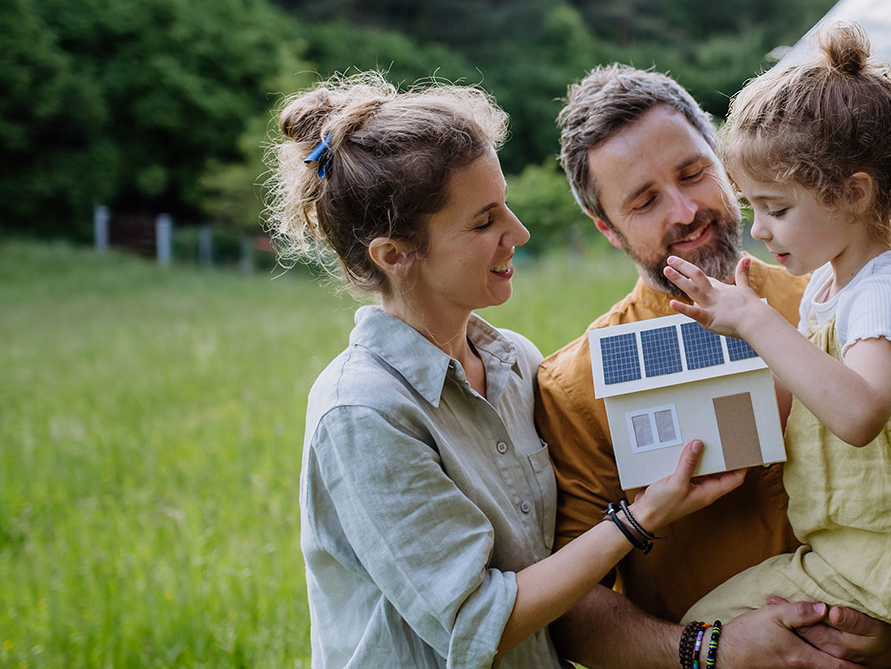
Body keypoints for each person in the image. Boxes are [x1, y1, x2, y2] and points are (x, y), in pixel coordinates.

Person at [267, 73, 741, 669]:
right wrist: (641, 519)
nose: (517, 232)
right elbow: (476, 623)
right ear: (394, 255)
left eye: (505, 206)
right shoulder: (363, 412)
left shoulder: (516, 362)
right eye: (483, 221)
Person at [535, 64, 891, 668]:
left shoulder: (836, 294)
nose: (685, 211)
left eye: (693, 173)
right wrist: (715, 650)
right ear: (607, 229)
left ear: (724, 160)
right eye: (645, 201)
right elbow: (572, 612)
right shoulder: (575, 387)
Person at [663, 21, 891, 631]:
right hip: (858, 549)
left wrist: (756, 322)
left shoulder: (884, 297)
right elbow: (799, 398)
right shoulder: (832, 280)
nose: (760, 230)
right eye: (753, 208)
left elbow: (856, 415)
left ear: (853, 195)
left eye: (777, 208)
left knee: (702, 627)